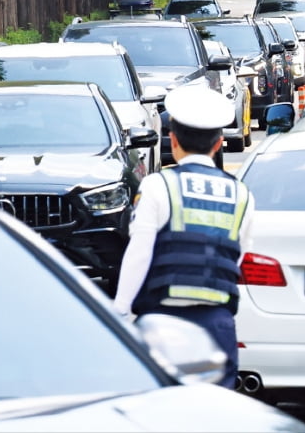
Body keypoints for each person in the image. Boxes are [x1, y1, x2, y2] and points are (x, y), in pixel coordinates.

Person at [113, 86, 251, 389]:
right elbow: (235, 257)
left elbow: (139, 254)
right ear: (218, 145)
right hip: (218, 325)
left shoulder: (157, 186)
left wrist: (120, 313)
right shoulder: (240, 194)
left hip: (162, 321)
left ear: (172, 140)